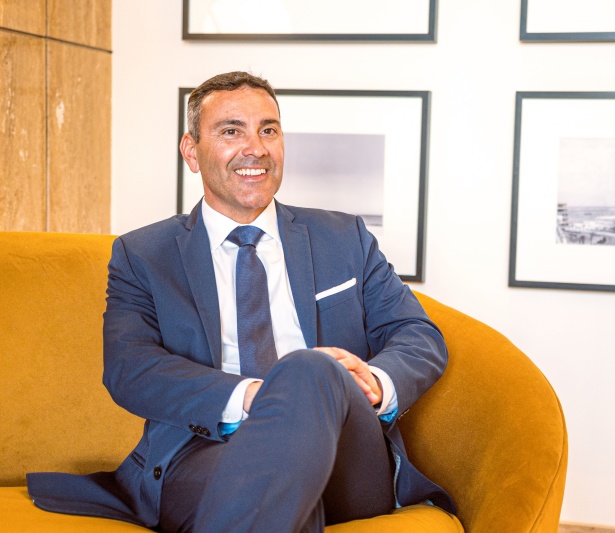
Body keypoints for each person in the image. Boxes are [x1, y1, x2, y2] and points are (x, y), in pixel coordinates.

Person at [27, 71, 455, 532]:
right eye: (231, 131)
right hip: (206, 451)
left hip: (346, 455)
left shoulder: (343, 238)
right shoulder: (144, 255)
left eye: (268, 130)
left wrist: (374, 382)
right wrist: (253, 396)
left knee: (311, 369)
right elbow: (130, 368)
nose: (256, 148)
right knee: (274, 490)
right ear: (191, 152)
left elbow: (417, 335)